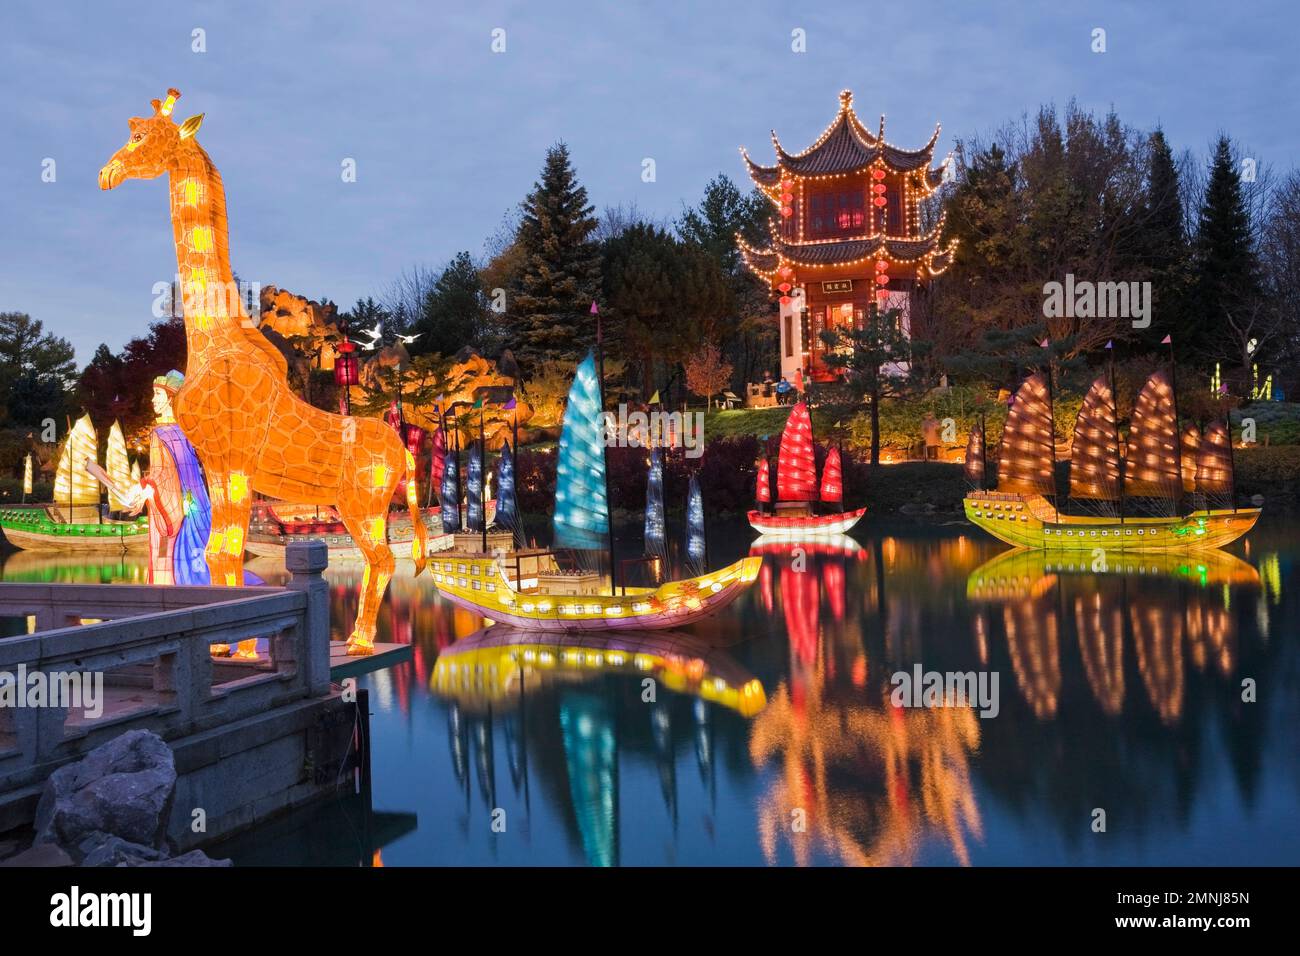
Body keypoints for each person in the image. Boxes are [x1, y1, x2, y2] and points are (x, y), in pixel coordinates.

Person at [122, 371, 213, 586]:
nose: (153, 400)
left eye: (157, 394)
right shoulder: (186, 431)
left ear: (171, 397)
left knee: (166, 552)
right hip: (196, 501)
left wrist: (142, 491)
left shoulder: (160, 433)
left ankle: (167, 588)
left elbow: (161, 475)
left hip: (174, 503)